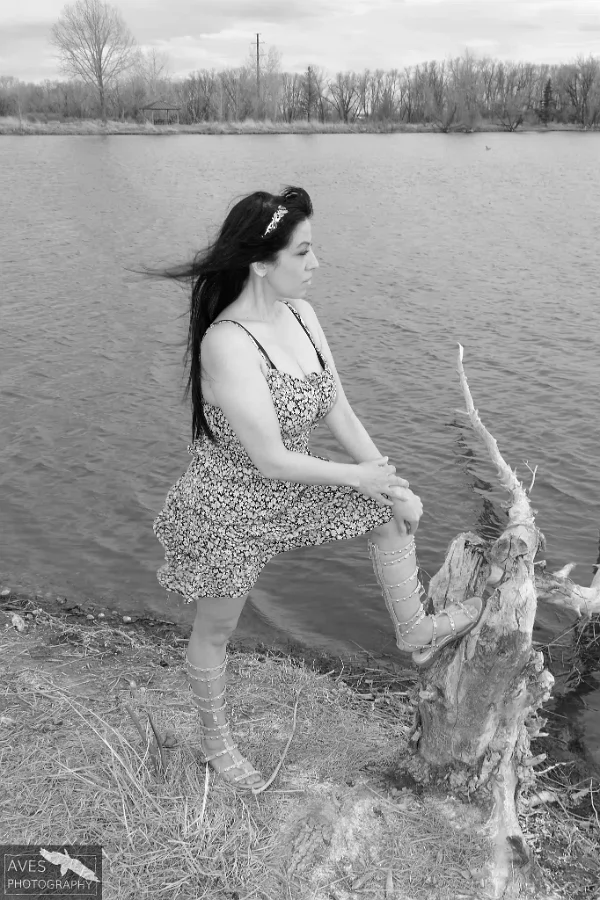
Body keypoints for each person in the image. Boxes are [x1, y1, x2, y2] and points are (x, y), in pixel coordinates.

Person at [152, 186, 483, 792]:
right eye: (302, 253)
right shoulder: (227, 342)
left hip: (296, 482)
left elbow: (339, 411)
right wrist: (364, 478)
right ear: (261, 263)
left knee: (387, 511)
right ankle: (217, 746)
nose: (316, 264)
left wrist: (393, 484)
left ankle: (414, 632)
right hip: (230, 502)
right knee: (216, 630)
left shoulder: (302, 315)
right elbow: (269, 460)